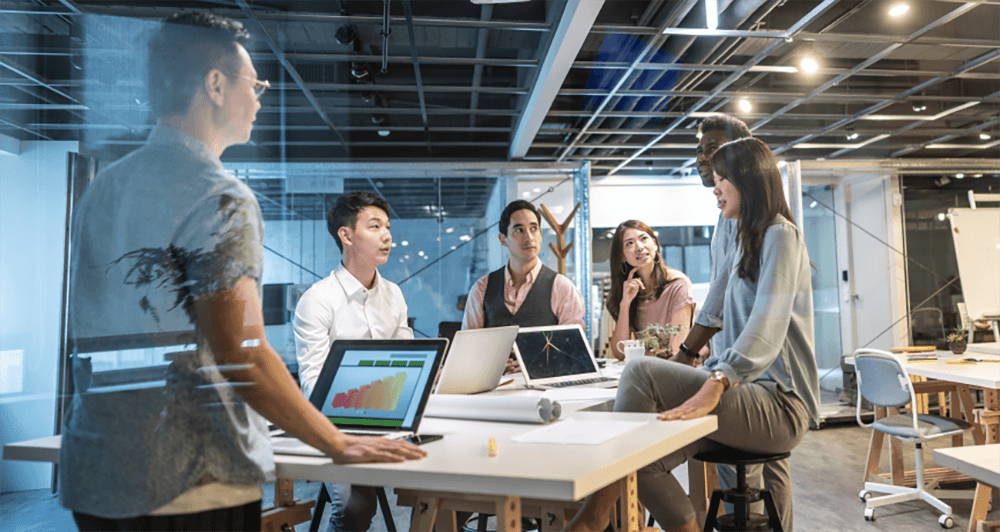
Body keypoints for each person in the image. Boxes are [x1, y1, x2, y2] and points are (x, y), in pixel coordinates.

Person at [60, 13, 424, 531]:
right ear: (215, 84)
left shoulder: (105, 188)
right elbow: (244, 355)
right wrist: (336, 443)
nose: (259, 98)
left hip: (97, 470)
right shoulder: (218, 195)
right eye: (254, 83)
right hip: (189, 477)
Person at [566, 137, 819, 532]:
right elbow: (716, 310)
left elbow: (766, 327)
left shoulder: (780, 235)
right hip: (743, 392)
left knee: (640, 373)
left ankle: (593, 517)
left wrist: (717, 379)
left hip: (781, 403)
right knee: (642, 458)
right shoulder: (741, 242)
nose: (715, 188)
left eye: (722, 179)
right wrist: (687, 362)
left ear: (748, 179)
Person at [293, 190, 413, 532]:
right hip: (339, 427)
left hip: (394, 416)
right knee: (355, 509)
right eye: (374, 227)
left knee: (446, 480)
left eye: (387, 227)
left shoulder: (394, 294)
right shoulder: (317, 301)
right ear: (346, 235)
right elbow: (313, 386)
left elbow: (408, 361)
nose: (387, 236)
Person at [461, 200, 585, 372]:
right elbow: (467, 348)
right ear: (503, 239)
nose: (529, 237)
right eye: (519, 230)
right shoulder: (481, 288)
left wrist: (536, 361)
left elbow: (575, 350)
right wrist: (490, 364)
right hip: (495, 389)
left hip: (544, 388)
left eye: (534, 228)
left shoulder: (562, 288)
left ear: (541, 234)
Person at [669, 113, 751, 367]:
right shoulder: (725, 216)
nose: (701, 158)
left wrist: (686, 351)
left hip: (750, 369)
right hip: (725, 360)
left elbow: (722, 290)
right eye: (699, 151)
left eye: (712, 149)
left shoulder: (752, 215)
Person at [607, 220, 695, 360]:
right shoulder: (629, 291)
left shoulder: (677, 285)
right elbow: (620, 353)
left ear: (655, 244)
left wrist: (640, 356)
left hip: (675, 371)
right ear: (622, 256)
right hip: (646, 369)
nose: (639, 247)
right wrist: (625, 304)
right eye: (629, 243)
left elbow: (676, 351)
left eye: (643, 238)